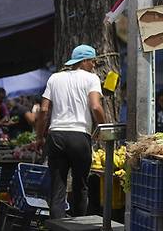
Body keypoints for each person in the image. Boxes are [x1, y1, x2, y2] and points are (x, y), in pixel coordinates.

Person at [36, 44, 106, 219]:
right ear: (84, 61)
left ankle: (56, 227)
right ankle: (79, 225)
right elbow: (96, 107)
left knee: (57, 188)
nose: (94, 66)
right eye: (92, 62)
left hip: (56, 136)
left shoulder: (54, 78)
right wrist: (103, 128)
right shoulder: (91, 79)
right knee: (80, 186)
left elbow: (44, 110)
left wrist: (39, 137)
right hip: (79, 136)